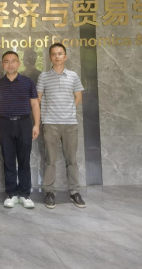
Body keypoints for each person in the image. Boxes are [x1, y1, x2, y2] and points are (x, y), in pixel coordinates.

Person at [37, 43, 85, 209]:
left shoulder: (73, 75)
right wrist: (47, 115)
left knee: (72, 160)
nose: (57, 56)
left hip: (70, 124)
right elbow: (38, 98)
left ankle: (74, 192)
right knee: (50, 160)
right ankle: (49, 192)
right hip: (50, 124)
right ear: (50, 57)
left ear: (65, 56)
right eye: (54, 54)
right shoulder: (43, 76)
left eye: (60, 53)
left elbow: (78, 96)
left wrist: (68, 110)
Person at [0, 51, 40, 208]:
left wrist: (36, 125)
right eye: (7, 61)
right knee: (8, 160)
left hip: (24, 123)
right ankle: (12, 194)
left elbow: (34, 104)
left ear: (19, 63)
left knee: (24, 160)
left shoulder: (28, 82)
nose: (10, 64)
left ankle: (25, 194)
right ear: (3, 64)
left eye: (13, 61)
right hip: (5, 124)